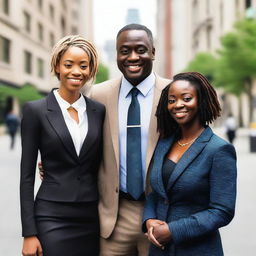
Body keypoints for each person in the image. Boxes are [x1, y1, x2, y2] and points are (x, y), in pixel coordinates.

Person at [89, 24, 171, 256]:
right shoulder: (98, 94)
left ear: (153, 52)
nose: (132, 57)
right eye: (124, 50)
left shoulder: (172, 93)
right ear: (116, 54)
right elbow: (86, 143)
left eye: (141, 50)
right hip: (114, 217)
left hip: (159, 216)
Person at [20, 35, 105, 256]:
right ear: (57, 66)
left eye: (83, 66)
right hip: (52, 216)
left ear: (91, 70)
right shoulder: (35, 111)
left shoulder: (98, 111)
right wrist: (29, 233)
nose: (76, 71)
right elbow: (26, 177)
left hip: (89, 216)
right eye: (69, 64)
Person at [142, 72, 237, 256]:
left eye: (186, 98)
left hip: (197, 249)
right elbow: (157, 193)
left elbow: (222, 211)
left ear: (200, 101)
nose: (178, 105)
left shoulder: (219, 150)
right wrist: (149, 219)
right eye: (172, 100)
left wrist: (173, 230)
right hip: (160, 249)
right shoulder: (164, 143)